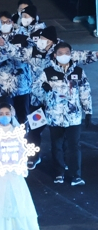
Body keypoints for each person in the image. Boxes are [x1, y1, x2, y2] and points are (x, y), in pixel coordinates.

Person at [34, 42, 92, 186]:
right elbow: (35, 89)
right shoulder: (47, 72)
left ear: (71, 54)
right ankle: (59, 172)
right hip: (55, 116)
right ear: (55, 55)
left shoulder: (78, 71)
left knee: (74, 146)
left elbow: (85, 91)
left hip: (74, 117)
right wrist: (45, 90)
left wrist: (88, 112)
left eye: (67, 53)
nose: (64, 56)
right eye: (60, 53)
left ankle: (76, 175)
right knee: (57, 145)